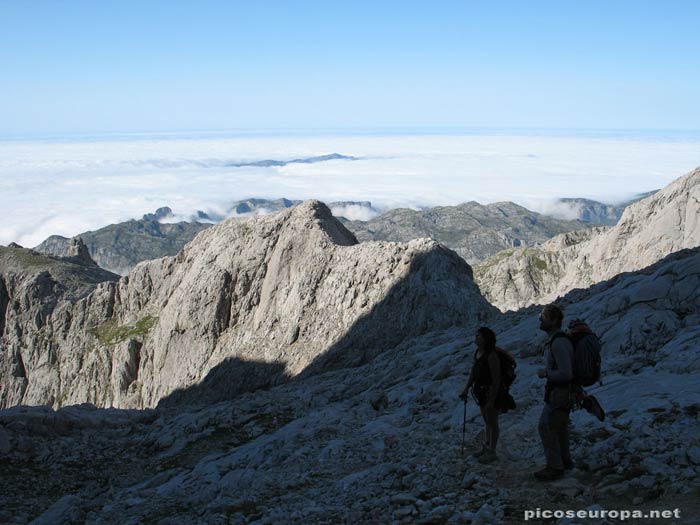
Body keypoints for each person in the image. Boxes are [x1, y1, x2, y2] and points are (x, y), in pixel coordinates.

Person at [534, 304, 575, 481]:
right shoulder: (559, 340)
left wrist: (546, 373)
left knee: (546, 426)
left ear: (554, 320)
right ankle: (565, 462)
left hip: (560, 393)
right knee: (559, 427)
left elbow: (566, 373)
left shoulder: (558, 342)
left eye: (544, 316)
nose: (540, 319)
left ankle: (555, 467)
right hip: (563, 392)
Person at [459, 327, 502, 464]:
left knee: (492, 422)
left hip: (490, 393)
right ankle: (487, 446)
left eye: (478, 336)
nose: (475, 338)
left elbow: (496, 380)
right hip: (481, 392)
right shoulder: (478, 352)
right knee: (487, 421)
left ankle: (492, 452)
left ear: (485, 338)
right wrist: (466, 388)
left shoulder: (492, 355)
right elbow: (474, 371)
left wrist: (492, 400)